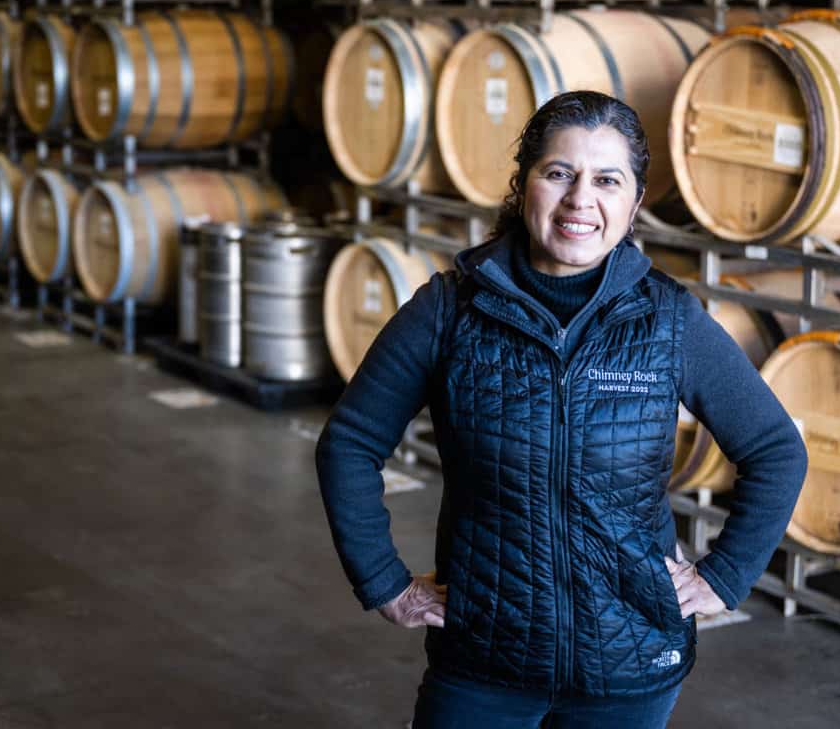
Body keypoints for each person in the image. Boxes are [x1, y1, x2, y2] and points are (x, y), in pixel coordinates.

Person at [315, 91, 808, 728]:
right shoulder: (451, 310)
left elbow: (774, 448)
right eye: (559, 173)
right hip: (484, 662)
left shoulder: (668, 320)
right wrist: (383, 581)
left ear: (633, 203)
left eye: (608, 180)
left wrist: (726, 573)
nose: (581, 200)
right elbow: (350, 442)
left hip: (629, 664)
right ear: (522, 187)